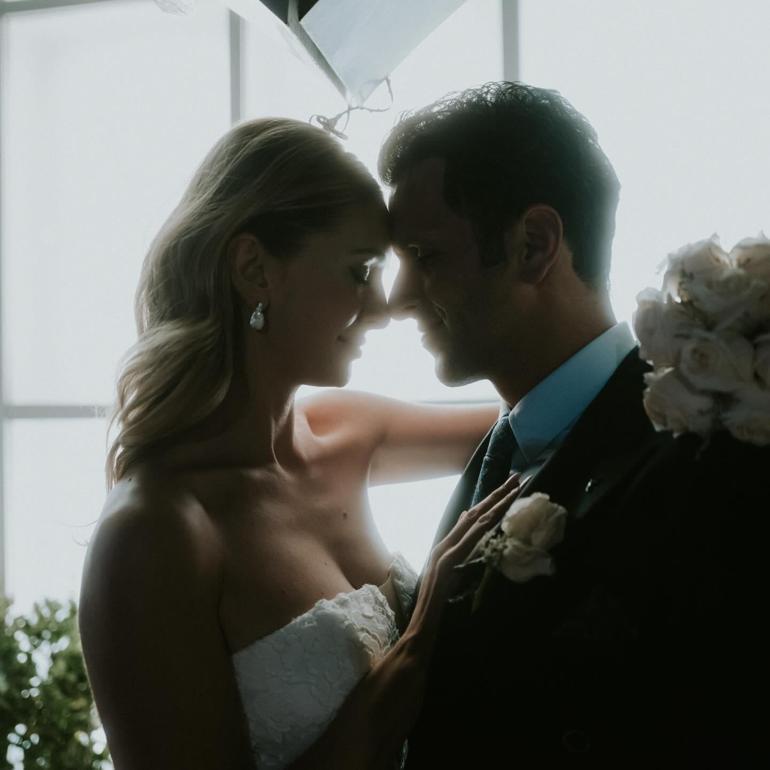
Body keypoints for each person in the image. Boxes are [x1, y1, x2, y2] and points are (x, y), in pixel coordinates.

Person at [78, 117, 514, 770]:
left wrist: (681, 341)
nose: (385, 307)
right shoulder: (156, 531)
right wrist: (419, 642)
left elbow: (549, 414)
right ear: (255, 269)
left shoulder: (348, 431)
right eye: (359, 270)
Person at [380, 81, 769, 768]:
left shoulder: (707, 455)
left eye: (426, 256)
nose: (397, 298)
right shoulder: (498, 449)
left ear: (534, 245)